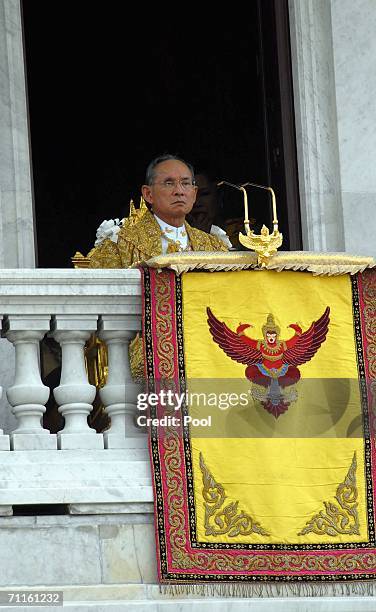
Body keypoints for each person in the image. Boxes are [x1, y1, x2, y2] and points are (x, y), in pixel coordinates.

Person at [89, 154, 228, 268]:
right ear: (148, 194)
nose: (179, 191)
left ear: (194, 193)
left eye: (185, 183)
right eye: (169, 183)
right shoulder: (120, 244)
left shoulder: (214, 246)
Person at [186, 167, 233, 249]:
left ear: (219, 195)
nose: (196, 202)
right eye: (190, 195)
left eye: (204, 194)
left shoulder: (241, 233)